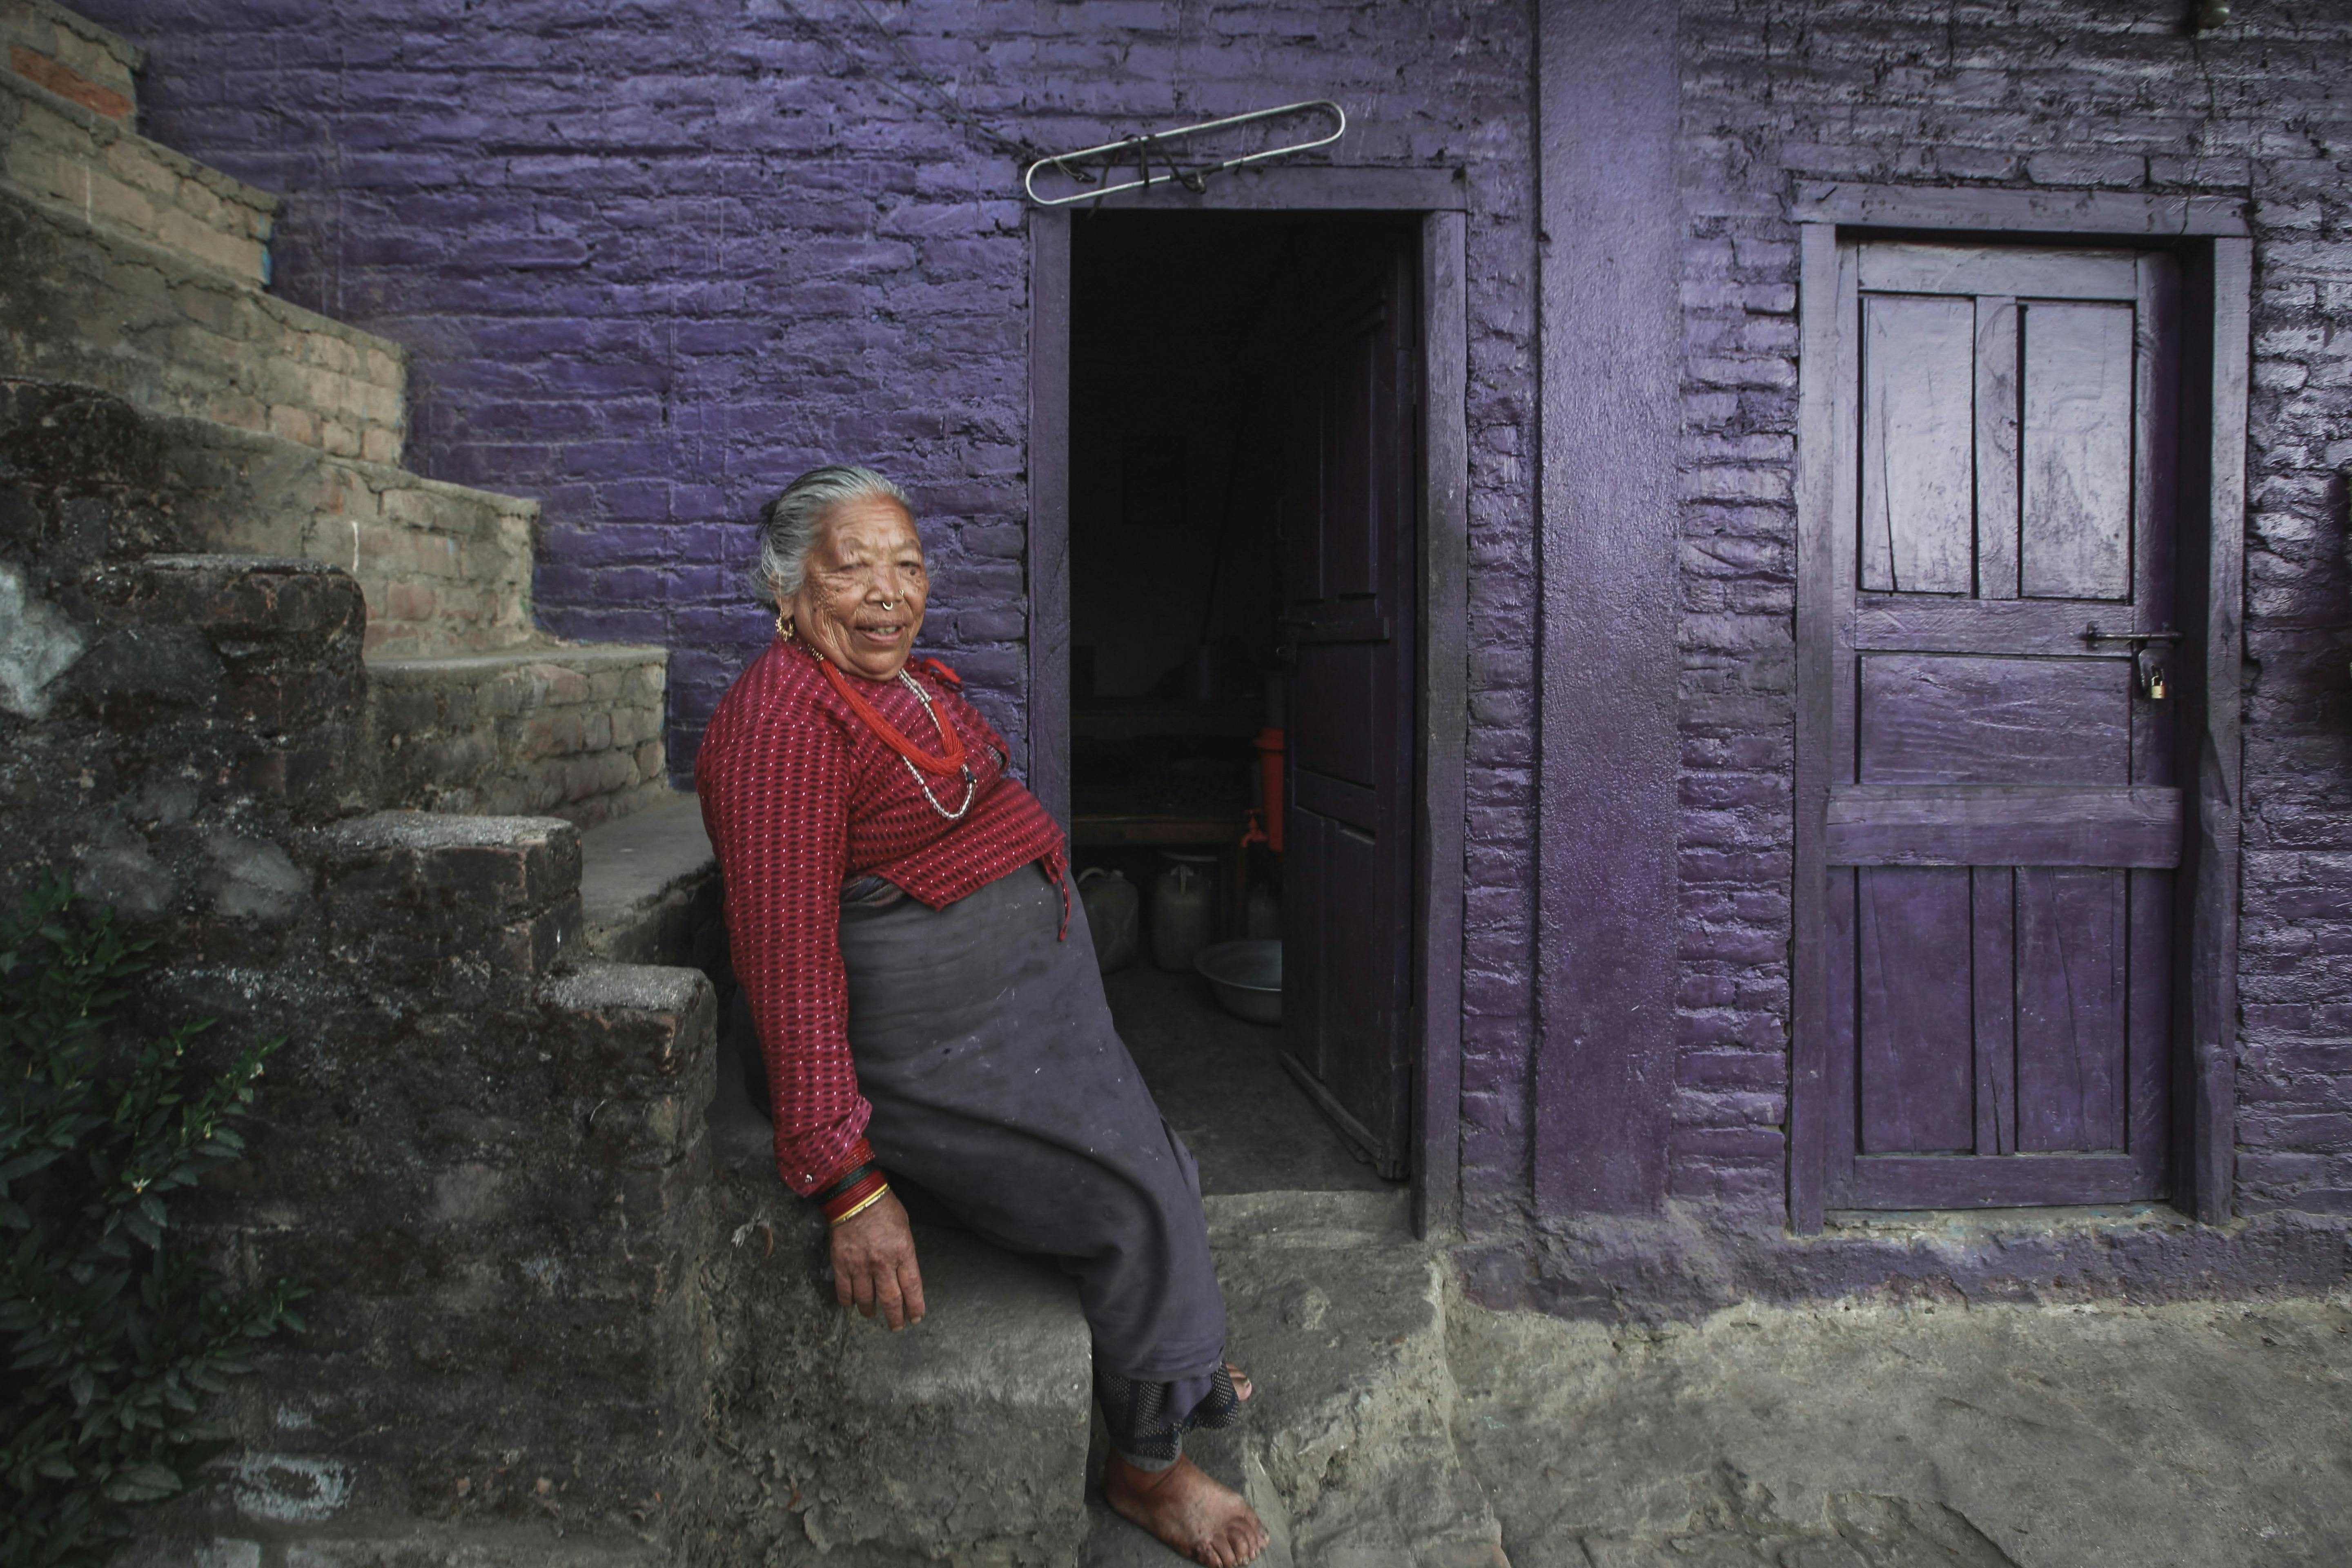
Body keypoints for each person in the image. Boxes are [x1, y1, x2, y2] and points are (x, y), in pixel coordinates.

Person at [695, 466, 1270, 1568]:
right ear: (785, 587)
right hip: (921, 1051)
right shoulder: (782, 723)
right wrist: (848, 1180)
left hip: (1014, 1026)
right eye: (852, 565)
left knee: (1166, 1163)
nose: (888, 591)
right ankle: (1148, 1469)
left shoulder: (891, 685)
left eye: (907, 565)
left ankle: (1174, 1361)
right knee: (1139, 1197)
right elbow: (786, 955)